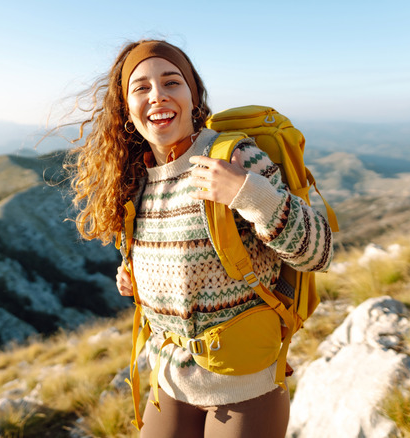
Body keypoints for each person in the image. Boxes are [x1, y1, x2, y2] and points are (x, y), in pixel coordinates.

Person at [65, 39, 333, 438]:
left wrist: (249, 193)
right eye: (141, 87)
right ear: (125, 109)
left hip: (245, 386)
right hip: (170, 379)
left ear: (193, 96)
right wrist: (136, 276)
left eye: (171, 82)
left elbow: (319, 252)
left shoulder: (235, 158)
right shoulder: (135, 179)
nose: (158, 96)